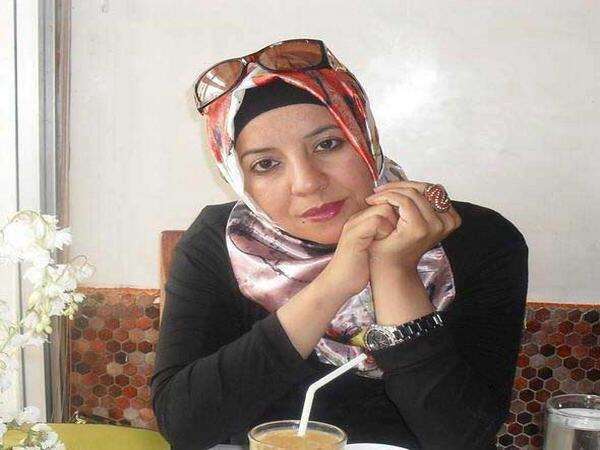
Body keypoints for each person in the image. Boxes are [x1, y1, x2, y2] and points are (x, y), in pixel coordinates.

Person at [151, 39, 529, 450]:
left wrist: (395, 270)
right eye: (266, 164)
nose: (307, 182)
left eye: (328, 144)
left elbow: (463, 438)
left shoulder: (479, 240)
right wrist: (334, 283)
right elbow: (184, 426)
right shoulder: (221, 243)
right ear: (240, 179)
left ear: (365, 139)